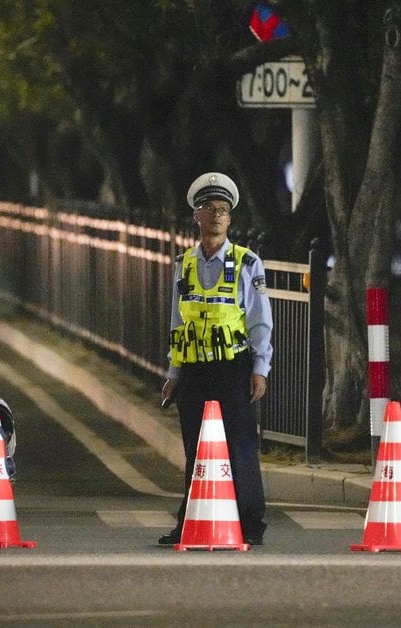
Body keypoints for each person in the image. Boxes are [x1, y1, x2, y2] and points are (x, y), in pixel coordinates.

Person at [158, 172, 273, 546]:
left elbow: (259, 321)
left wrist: (260, 368)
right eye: (209, 209)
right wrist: (174, 372)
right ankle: (190, 521)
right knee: (195, 449)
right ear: (197, 216)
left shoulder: (247, 262)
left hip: (232, 367)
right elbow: (178, 321)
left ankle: (250, 523)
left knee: (240, 446)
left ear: (230, 219)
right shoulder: (184, 263)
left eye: (223, 210)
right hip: (194, 369)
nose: (217, 215)